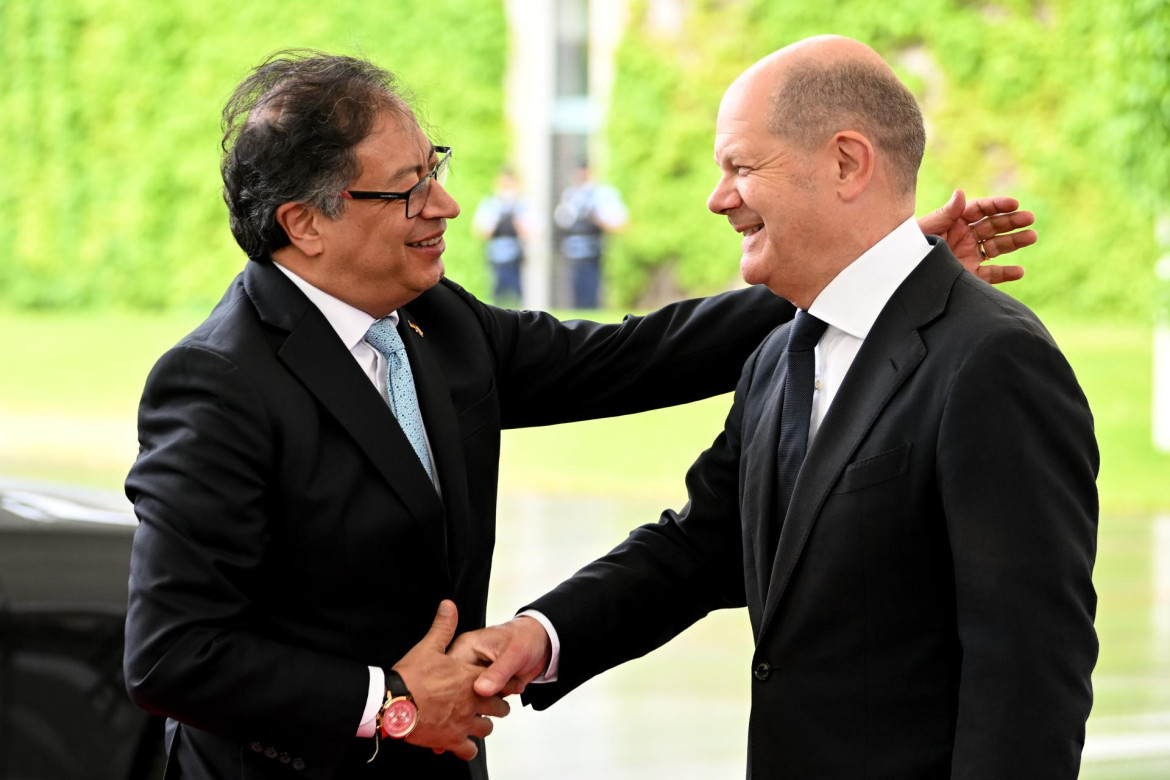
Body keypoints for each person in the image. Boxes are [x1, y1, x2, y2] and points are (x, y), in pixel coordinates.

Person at [122, 49, 1032, 780]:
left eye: (434, 169)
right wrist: (391, 702)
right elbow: (170, 654)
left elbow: (636, 357)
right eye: (405, 189)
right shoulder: (217, 383)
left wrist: (864, 272)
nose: (445, 204)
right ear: (305, 224)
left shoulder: (438, 323)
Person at [457, 36, 1098, 779]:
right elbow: (701, 546)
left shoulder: (991, 360)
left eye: (740, 166)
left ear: (847, 163)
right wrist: (542, 633)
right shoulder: (775, 355)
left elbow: (1028, 671)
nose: (717, 197)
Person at [553, 162, 628, 308]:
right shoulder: (570, 196)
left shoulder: (600, 194)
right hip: (574, 252)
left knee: (591, 292)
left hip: (593, 251)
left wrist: (597, 219)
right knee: (576, 292)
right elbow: (563, 221)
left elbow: (619, 222)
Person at [472, 169, 533, 306]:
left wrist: (514, 215)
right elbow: (481, 232)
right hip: (496, 255)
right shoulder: (490, 204)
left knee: (517, 294)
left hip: (516, 256)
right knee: (496, 293)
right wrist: (498, 215)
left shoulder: (522, 205)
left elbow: (532, 233)